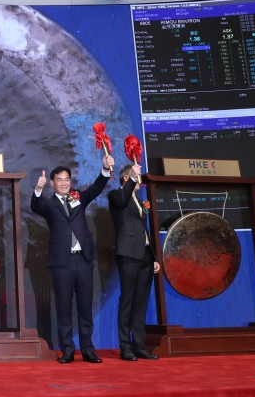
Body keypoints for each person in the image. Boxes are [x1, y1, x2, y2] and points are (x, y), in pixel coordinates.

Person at [31, 153, 114, 364]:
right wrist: (38, 190)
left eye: (67, 179)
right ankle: (67, 350)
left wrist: (105, 169)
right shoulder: (48, 204)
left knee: (85, 306)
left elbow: (96, 189)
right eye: (59, 180)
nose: (64, 183)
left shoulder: (76, 197)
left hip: (84, 260)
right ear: (52, 183)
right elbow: (36, 206)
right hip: (62, 263)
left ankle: (88, 349)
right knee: (64, 307)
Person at [108, 163, 160, 361]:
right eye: (134, 176)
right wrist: (132, 177)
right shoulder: (116, 196)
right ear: (126, 178)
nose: (139, 180)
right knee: (127, 300)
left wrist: (153, 257)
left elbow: (143, 231)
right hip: (128, 254)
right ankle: (125, 346)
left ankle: (139, 345)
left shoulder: (140, 201)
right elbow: (122, 200)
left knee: (141, 302)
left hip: (145, 256)